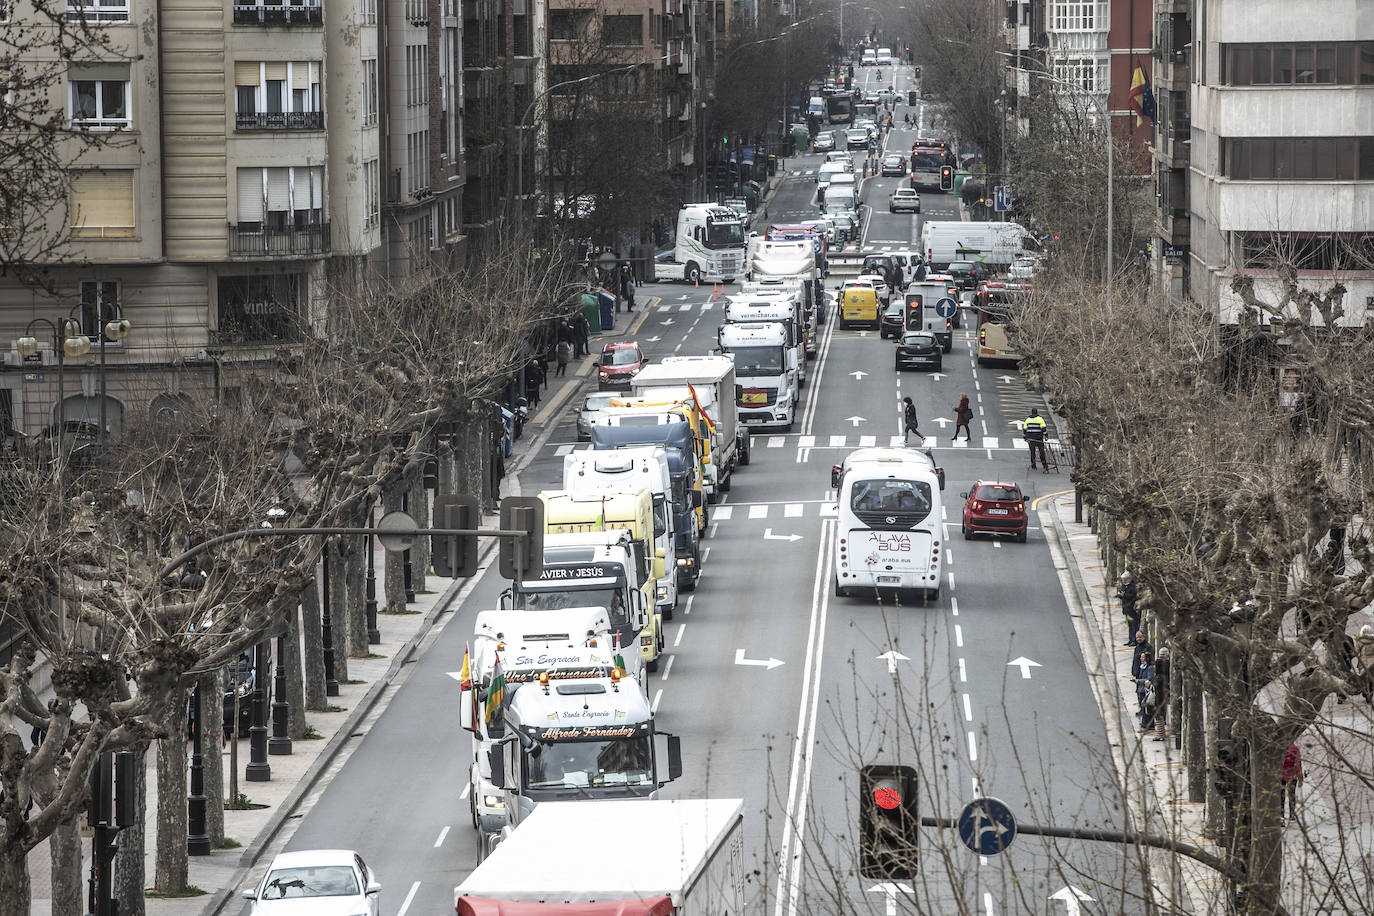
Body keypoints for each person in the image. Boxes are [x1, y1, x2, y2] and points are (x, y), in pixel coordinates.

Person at [1151, 647, 1171, 740]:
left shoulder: (1161, 676)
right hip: (1161, 695)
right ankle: (1160, 734)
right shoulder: (1162, 676)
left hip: (1161, 696)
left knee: (1159, 715)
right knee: (1159, 715)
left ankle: (1160, 735)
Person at [1281, 743, 1304, 821]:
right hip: (1292, 775)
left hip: (1281, 775)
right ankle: (1292, 814)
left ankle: (1281, 815)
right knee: (1292, 795)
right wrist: (1300, 778)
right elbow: (1298, 764)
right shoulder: (1295, 748)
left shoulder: (1279, 747)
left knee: (1281, 796)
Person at [1118, 571, 1140, 647]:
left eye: (1125, 579)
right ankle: (1131, 639)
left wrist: (1124, 595)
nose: (1123, 581)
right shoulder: (1124, 586)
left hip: (1132, 609)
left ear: (1129, 579)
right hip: (1126, 609)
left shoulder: (1133, 586)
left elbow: (1132, 596)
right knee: (1130, 625)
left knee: (1134, 625)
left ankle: (1134, 640)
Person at [1134, 650, 1155, 730]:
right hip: (1140, 689)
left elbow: (1149, 679)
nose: (1141, 658)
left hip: (1145, 689)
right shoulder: (1142, 666)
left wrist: (1139, 681)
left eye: (1143, 657)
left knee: (1146, 707)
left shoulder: (1150, 668)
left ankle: (1147, 724)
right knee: (1143, 707)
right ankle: (1144, 723)